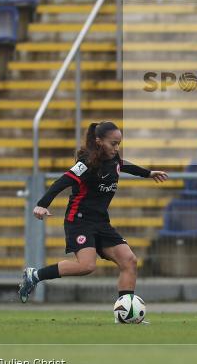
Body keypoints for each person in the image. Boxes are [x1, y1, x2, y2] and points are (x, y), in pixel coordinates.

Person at [17, 121, 168, 303]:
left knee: (129, 261)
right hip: (79, 220)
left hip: (101, 222)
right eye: (113, 143)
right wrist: (42, 204)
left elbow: (123, 165)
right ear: (99, 142)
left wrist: (148, 173)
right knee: (87, 266)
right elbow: (63, 180)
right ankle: (35, 275)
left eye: (118, 144)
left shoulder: (114, 160)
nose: (116, 148)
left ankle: (127, 311)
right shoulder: (86, 164)